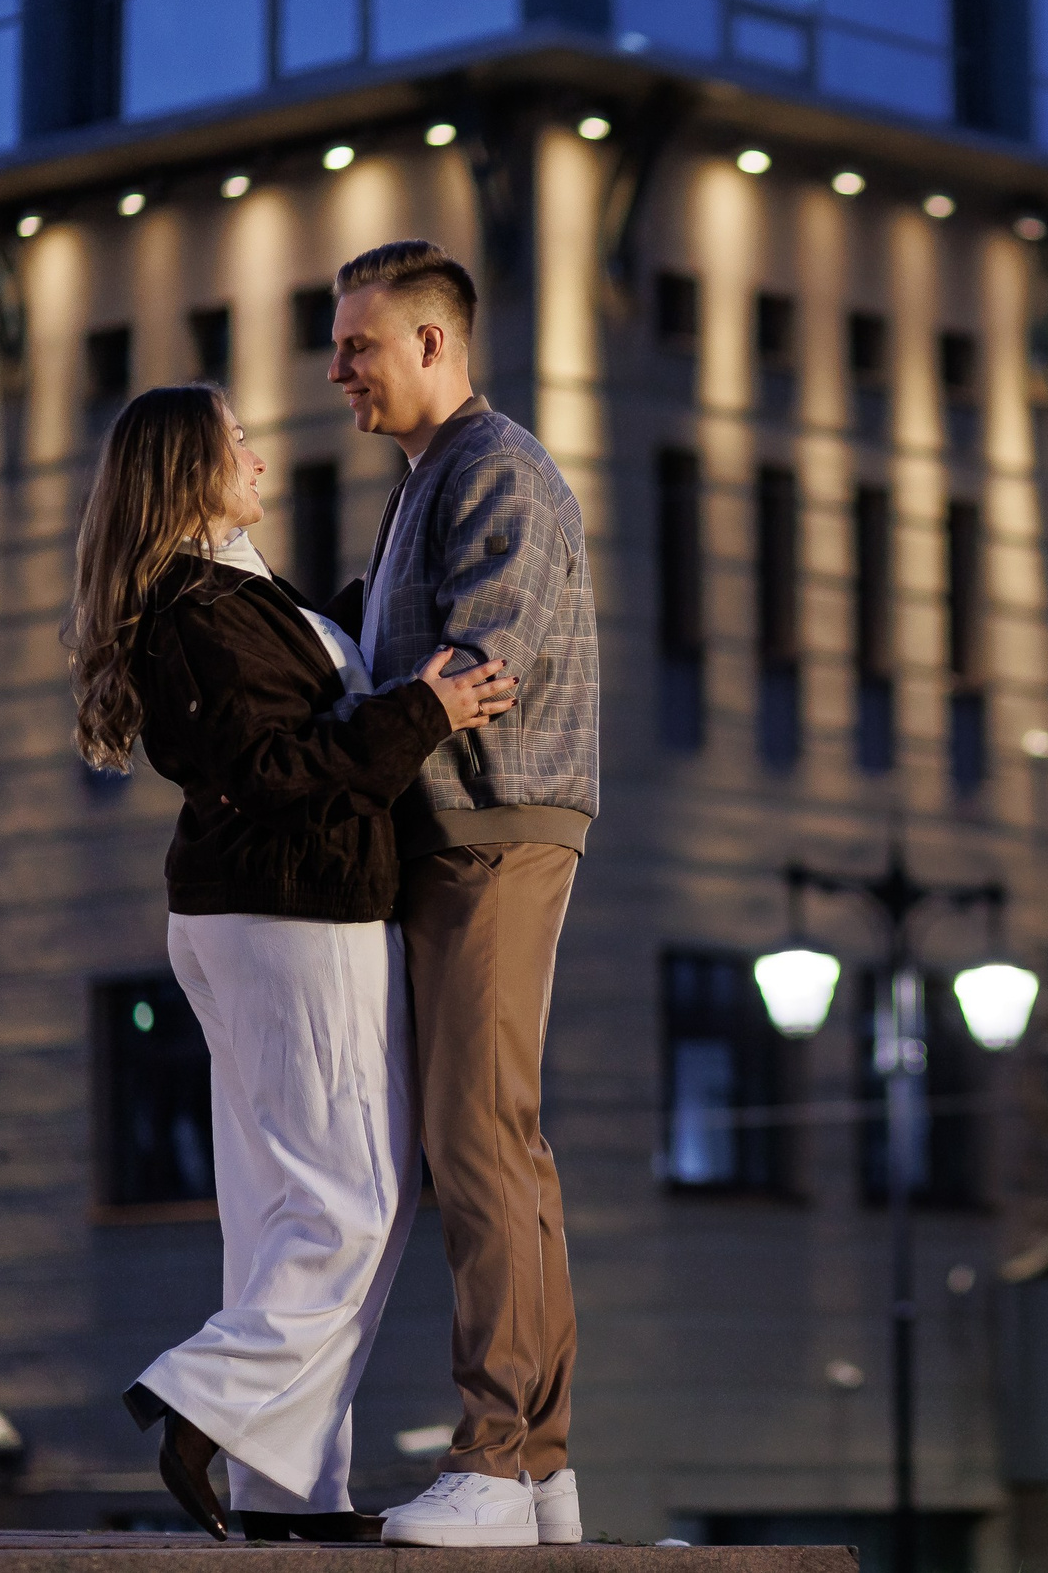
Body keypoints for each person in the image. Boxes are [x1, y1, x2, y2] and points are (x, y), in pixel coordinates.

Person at [66, 383, 515, 1542]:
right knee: (352, 1203)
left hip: (266, 915)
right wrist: (425, 709)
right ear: (188, 471)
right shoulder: (198, 609)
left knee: (284, 1207)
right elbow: (276, 766)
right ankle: (201, 1402)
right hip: (291, 914)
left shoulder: (231, 590)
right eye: (237, 441)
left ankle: (289, 1493)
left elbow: (302, 703)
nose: (259, 456)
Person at [320, 241, 599, 1549]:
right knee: (502, 1143)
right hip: (469, 830)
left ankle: (493, 1457)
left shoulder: (494, 467)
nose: (338, 370)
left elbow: (483, 663)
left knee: (479, 1139)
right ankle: (534, 1466)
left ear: (433, 341)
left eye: (358, 345)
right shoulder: (435, 475)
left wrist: (375, 715)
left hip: (491, 828)